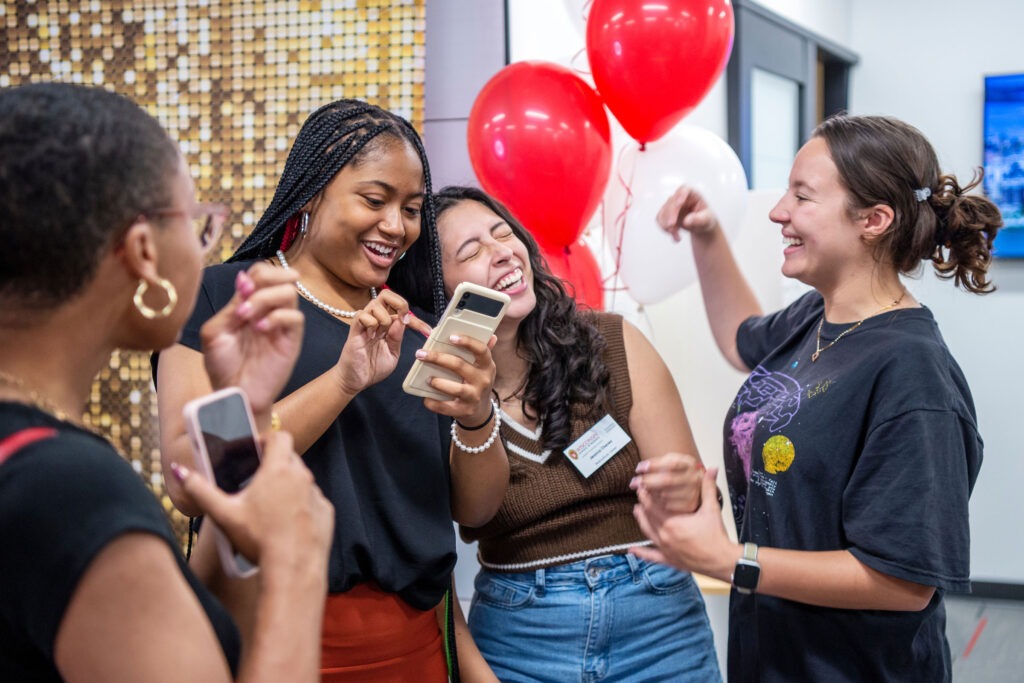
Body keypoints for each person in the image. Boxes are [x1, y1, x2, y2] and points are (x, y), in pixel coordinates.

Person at [632, 114, 1001, 682]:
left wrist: (729, 560)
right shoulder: (818, 316)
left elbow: (902, 582)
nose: (779, 211)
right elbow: (742, 337)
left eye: (802, 197)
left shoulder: (912, 373)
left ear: (874, 220)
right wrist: (707, 234)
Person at [155, 100, 509, 681]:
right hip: (274, 640)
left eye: (413, 209)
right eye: (374, 200)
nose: (397, 226)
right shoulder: (227, 300)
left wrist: (476, 415)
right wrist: (343, 382)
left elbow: (474, 513)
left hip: (418, 650)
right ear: (313, 190)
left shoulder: (417, 325)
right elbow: (192, 480)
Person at [0, 82, 333, 681]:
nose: (204, 249)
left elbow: (198, 628)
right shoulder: (68, 491)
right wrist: (298, 564)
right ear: (143, 251)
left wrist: (242, 414)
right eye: (197, 223)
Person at [411, 185, 721, 681]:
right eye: (470, 251)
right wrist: (473, 414)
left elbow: (699, 505)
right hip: (521, 633)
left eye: (503, 233)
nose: (502, 253)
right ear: (437, 292)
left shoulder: (612, 343)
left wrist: (689, 492)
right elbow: (471, 515)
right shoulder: (434, 394)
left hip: (658, 622)